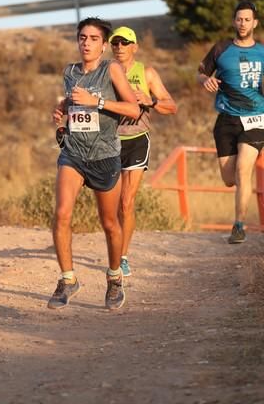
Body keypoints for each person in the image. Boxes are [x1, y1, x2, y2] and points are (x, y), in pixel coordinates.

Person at [48, 17, 140, 310]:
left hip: (104, 156)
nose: (86, 43)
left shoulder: (110, 69)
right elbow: (74, 103)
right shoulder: (70, 72)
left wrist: (96, 103)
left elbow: (133, 109)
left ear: (103, 45)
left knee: (110, 223)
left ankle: (114, 279)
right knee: (62, 213)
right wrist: (63, 111)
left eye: (93, 39)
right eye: (82, 37)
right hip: (74, 153)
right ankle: (68, 279)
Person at [109, 26, 177, 276]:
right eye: (115, 43)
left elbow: (172, 106)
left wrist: (152, 101)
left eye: (125, 43)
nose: (119, 48)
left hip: (137, 139)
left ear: (134, 47)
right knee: (111, 203)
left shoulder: (146, 73)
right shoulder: (105, 72)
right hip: (109, 142)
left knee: (127, 202)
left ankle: (122, 256)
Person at [197, 0, 264, 243]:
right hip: (226, 118)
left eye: (248, 19)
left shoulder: (263, 52)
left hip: (256, 119)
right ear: (234, 21)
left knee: (243, 169)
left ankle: (239, 225)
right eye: (239, 19)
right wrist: (204, 80)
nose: (243, 23)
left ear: (255, 22)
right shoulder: (221, 49)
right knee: (229, 178)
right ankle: (241, 197)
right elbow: (201, 71)